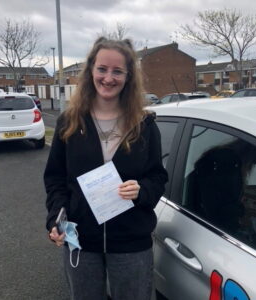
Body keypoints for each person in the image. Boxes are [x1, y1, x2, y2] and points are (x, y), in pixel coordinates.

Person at [44, 37, 168, 300]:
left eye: (117, 71)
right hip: (81, 240)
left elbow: (158, 176)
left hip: (131, 243)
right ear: (91, 71)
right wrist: (56, 218)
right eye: (102, 69)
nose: (108, 78)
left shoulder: (144, 124)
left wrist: (142, 189)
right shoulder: (70, 120)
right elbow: (55, 178)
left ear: (128, 76)